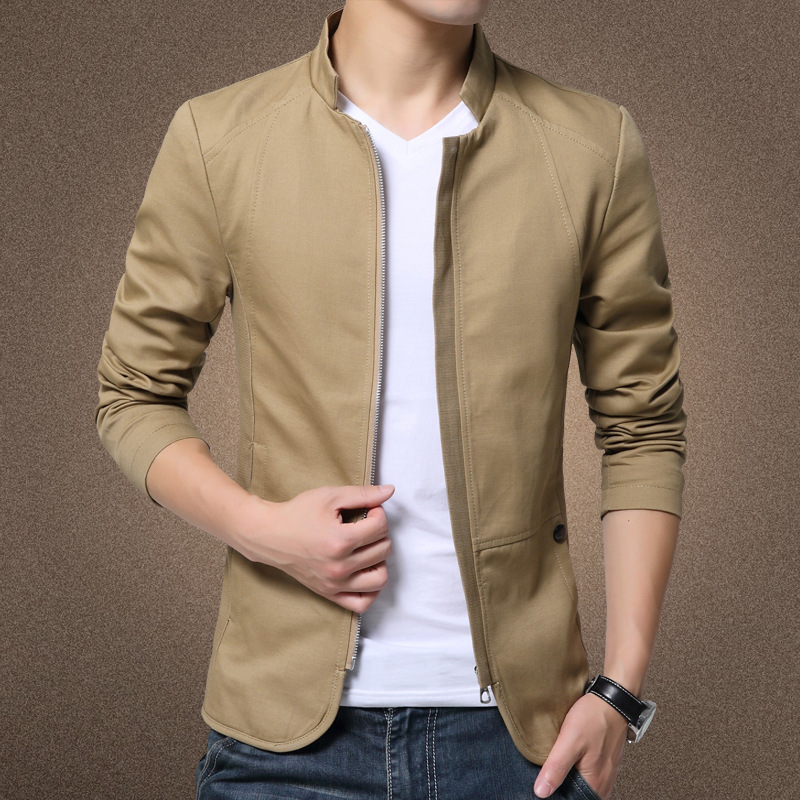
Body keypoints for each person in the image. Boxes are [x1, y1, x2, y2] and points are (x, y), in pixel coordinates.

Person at [95, 1, 686, 798]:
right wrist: (260, 529)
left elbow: (643, 426)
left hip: (522, 745)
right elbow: (134, 393)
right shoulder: (221, 136)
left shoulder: (591, 146)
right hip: (282, 746)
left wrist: (618, 690)